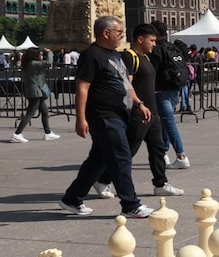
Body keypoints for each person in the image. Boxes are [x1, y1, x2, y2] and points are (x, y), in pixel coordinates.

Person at [58, 16, 154, 218]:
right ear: (106, 33)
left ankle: (72, 199)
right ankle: (130, 205)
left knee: (98, 160)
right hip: (103, 115)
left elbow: (125, 83)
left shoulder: (115, 55)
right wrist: (80, 118)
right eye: (119, 32)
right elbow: (82, 87)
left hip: (120, 114)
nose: (122, 35)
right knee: (121, 158)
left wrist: (138, 103)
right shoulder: (91, 55)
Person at [94, 23, 184, 199]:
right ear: (140, 39)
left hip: (152, 111)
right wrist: (139, 104)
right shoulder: (129, 57)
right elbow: (126, 85)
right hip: (138, 112)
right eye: (152, 40)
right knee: (129, 150)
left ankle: (160, 184)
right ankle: (103, 180)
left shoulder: (146, 58)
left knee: (158, 148)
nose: (154, 44)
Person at [150, 21, 191, 169]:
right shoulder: (173, 47)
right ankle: (164, 152)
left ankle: (181, 155)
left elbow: (152, 70)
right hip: (174, 88)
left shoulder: (156, 50)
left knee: (169, 123)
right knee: (165, 122)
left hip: (161, 89)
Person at [12, 47, 58, 143]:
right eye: (39, 54)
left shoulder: (27, 64)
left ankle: (48, 132)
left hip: (34, 91)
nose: (40, 55)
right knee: (30, 113)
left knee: (45, 111)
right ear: (34, 56)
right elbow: (48, 63)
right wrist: (49, 52)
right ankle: (17, 133)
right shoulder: (33, 64)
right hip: (35, 92)